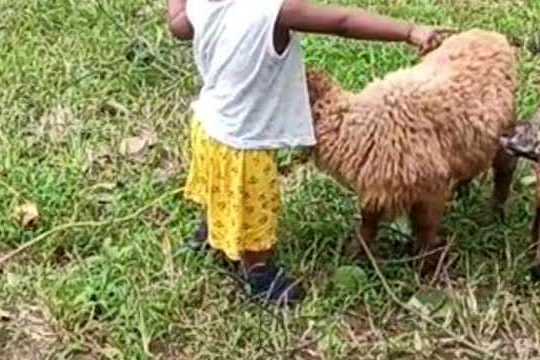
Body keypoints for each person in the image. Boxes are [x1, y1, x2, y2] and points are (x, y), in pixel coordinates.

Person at [166, 0, 451, 306]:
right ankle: (257, 272)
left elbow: (178, 26)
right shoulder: (273, 9)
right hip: (244, 144)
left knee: (218, 185)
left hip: (207, 124)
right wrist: (409, 31)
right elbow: (344, 21)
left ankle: (212, 230)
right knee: (253, 210)